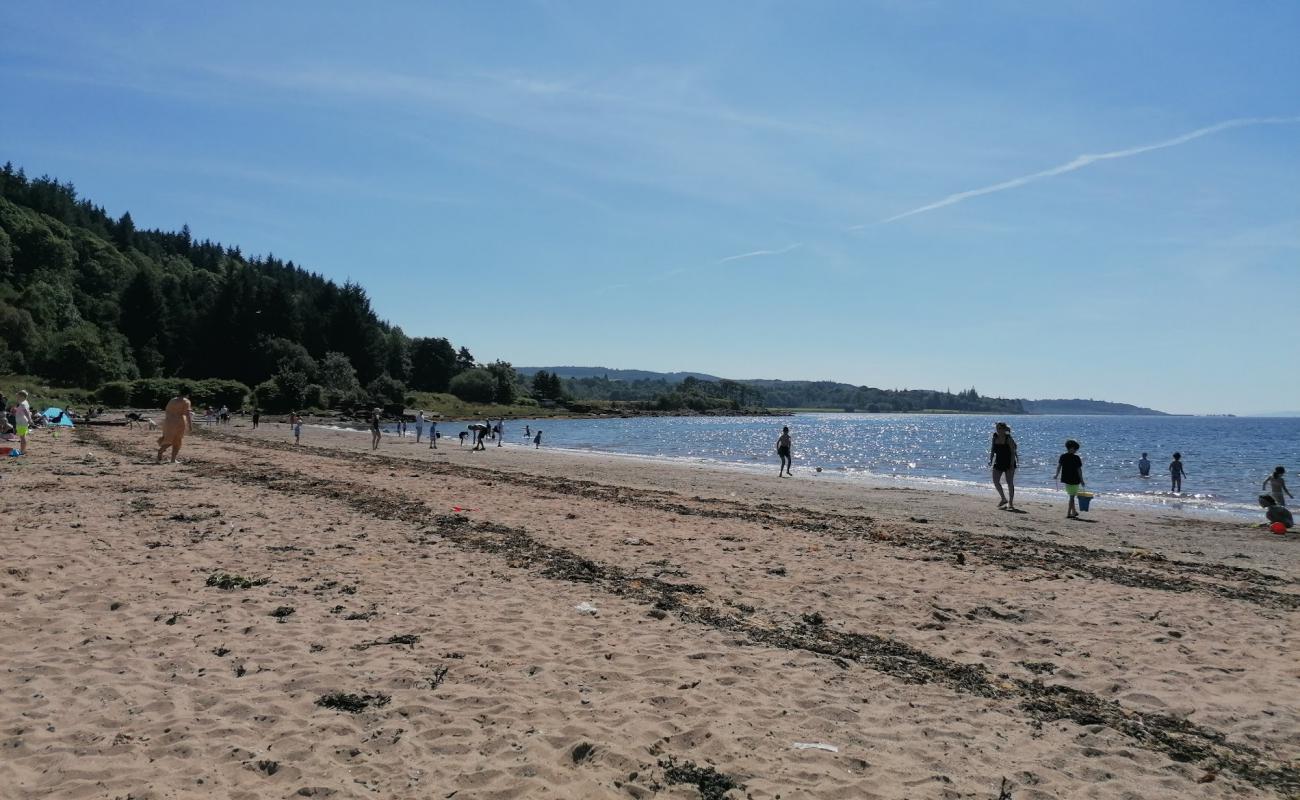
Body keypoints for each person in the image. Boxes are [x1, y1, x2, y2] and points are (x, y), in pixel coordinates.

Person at [155, 394, 194, 464]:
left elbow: (167, 410)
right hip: (179, 422)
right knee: (177, 441)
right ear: (187, 394)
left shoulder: (172, 400)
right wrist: (190, 425)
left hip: (168, 421)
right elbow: (187, 414)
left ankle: (161, 451)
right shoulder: (186, 401)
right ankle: (173, 459)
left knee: (168, 438)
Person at [989, 421, 1018, 509]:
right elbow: (992, 449)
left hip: (1009, 462)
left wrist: (1012, 464)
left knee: (1009, 482)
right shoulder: (995, 437)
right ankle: (1003, 498)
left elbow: (1013, 452)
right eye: (997, 428)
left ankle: (1011, 502)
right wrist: (990, 459)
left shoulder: (1008, 438)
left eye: (999, 428)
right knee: (995, 481)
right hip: (998, 462)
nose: (997, 430)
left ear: (1004, 429)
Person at [1054, 439, 1085, 519]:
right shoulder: (1076, 458)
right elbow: (1079, 470)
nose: (1075, 451)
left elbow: (1059, 467)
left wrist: (1056, 475)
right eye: (1075, 449)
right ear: (1071, 448)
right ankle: (1068, 513)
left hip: (1066, 479)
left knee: (1072, 496)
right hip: (1074, 479)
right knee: (1072, 497)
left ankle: (1074, 512)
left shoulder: (1063, 456)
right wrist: (1081, 480)